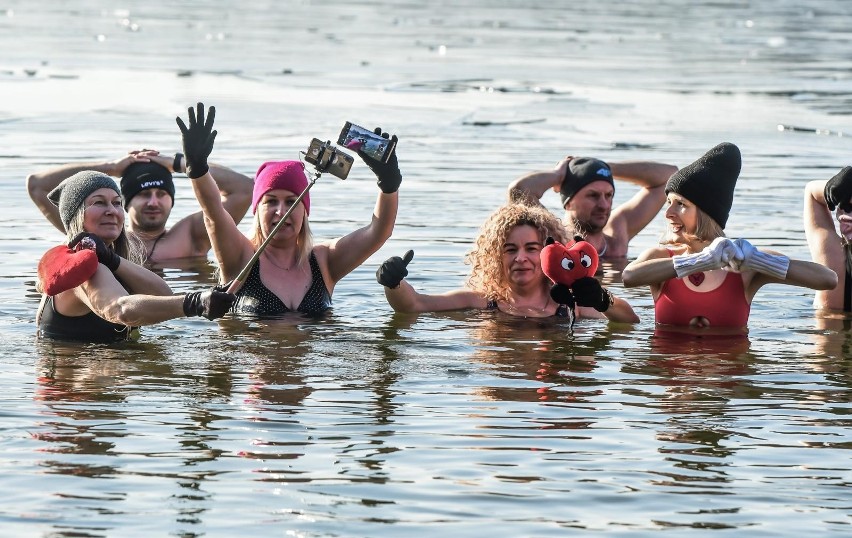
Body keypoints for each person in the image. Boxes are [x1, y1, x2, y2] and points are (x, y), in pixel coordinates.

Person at [177, 102, 400, 317]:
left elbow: (378, 231)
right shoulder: (240, 256)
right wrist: (197, 169)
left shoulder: (324, 260)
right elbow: (214, 213)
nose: (281, 211)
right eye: (271, 201)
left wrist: (388, 185)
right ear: (257, 210)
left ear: (305, 210)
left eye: (292, 201)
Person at [621, 142, 837, 331]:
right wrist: (700, 261)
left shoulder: (745, 265)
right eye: (669, 203)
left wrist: (758, 260)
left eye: (681, 204)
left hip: (728, 373)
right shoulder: (660, 257)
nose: (668, 213)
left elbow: (827, 279)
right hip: (672, 376)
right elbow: (629, 277)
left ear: (707, 212)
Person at [36, 170, 236, 342]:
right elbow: (119, 309)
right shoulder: (76, 266)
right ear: (76, 215)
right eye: (99, 203)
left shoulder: (104, 261)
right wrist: (196, 303)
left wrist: (113, 260)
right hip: (79, 381)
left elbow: (165, 296)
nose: (112, 211)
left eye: (116, 203)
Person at [376, 202, 639, 322]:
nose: (520, 257)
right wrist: (394, 282)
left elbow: (629, 321)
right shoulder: (479, 300)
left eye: (531, 248)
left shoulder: (573, 305)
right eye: (510, 249)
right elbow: (413, 305)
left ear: (551, 252)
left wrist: (603, 299)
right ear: (495, 256)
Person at [26, 146, 253, 263]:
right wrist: (110, 168)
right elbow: (37, 185)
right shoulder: (98, 234)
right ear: (125, 201)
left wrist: (180, 164)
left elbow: (245, 189)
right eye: (144, 194)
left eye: (161, 193)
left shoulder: (193, 235)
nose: (154, 202)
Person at [508, 155, 678, 259]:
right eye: (593, 195)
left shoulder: (617, 235)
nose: (604, 205)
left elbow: (669, 176)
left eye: (608, 195)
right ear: (568, 202)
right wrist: (559, 175)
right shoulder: (554, 236)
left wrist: (603, 167)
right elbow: (519, 190)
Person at [804, 167, 852, 311]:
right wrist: (836, 187)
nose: (846, 212)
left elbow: (812, 192)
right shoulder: (834, 262)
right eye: (844, 203)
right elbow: (812, 192)